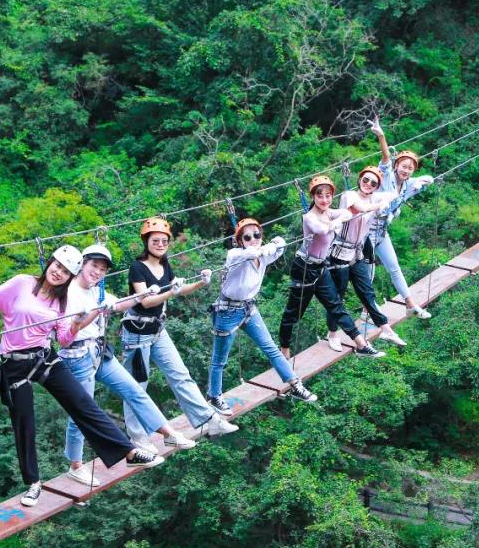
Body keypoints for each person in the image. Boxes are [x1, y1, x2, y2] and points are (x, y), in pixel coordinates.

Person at [0, 245, 163, 507]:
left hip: (44, 358)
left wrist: (77, 322)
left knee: (83, 403)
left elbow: (63, 338)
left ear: (71, 277)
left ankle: (128, 452)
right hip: (14, 365)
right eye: (57, 266)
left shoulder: (64, 302)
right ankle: (34, 485)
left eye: (65, 271)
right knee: (24, 424)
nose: (58, 272)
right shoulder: (22, 284)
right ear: (49, 263)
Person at [59, 244, 195, 487]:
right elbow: (70, 330)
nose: (98, 272)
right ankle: (76, 465)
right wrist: (96, 311)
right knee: (82, 412)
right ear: (82, 264)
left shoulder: (96, 290)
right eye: (94, 266)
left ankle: (169, 434)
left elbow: (118, 304)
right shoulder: (68, 293)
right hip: (76, 357)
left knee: (133, 389)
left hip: (100, 352)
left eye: (102, 269)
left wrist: (143, 295)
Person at [121, 217, 239, 441]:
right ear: (146, 242)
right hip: (137, 334)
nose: (160, 244)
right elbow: (145, 301)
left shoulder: (165, 264)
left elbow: (179, 288)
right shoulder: (137, 268)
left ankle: (208, 421)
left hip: (157, 330)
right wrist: (170, 293)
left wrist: (201, 283)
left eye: (164, 241)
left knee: (181, 375)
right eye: (155, 240)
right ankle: (137, 438)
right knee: (137, 386)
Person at [206, 218, 317, 414]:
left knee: (271, 348)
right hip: (227, 312)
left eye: (256, 235)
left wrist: (273, 243)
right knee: (220, 360)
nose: (253, 239)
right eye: (247, 237)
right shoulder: (235, 255)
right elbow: (250, 252)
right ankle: (214, 396)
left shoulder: (263, 256)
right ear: (240, 240)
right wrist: (264, 248)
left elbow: (281, 245)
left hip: (248, 309)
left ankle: (294, 384)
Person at [278, 176, 385, 361]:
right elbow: (320, 230)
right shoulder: (309, 218)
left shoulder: (328, 212)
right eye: (320, 196)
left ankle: (361, 345)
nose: (325, 200)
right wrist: (335, 223)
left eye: (328, 196)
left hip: (321, 267)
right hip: (304, 268)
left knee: (336, 305)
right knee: (293, 315)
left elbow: (346, 214)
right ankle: (284, 352)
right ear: (313, 197)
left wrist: (338, 218)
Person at [325, 166, 408, 351]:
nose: (368, 184)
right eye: (365, 180)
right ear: (359, 180)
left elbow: (393, 194)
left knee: (367, 292)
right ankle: (332, 334)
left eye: (373, 183)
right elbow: (360, 208)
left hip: (358, 252)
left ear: (377, 186)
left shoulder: (374, 197)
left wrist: (384, 199)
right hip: (339, 253)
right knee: (338, 297)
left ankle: (385, 329)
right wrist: (380, 204)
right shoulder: (349, 195)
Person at [371, 116, 436, 318]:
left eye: (410, 168)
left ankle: (409, 304)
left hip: (382, 232)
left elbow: (429, 179)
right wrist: (381, 136)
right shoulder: (387, 175)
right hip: (365, 230)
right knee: (368, 273)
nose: (406, 170)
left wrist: (422, 182)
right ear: (397, 165)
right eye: (403, 166)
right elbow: (384, 159)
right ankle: (369, 309)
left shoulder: (408, 185)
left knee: (394, 267)